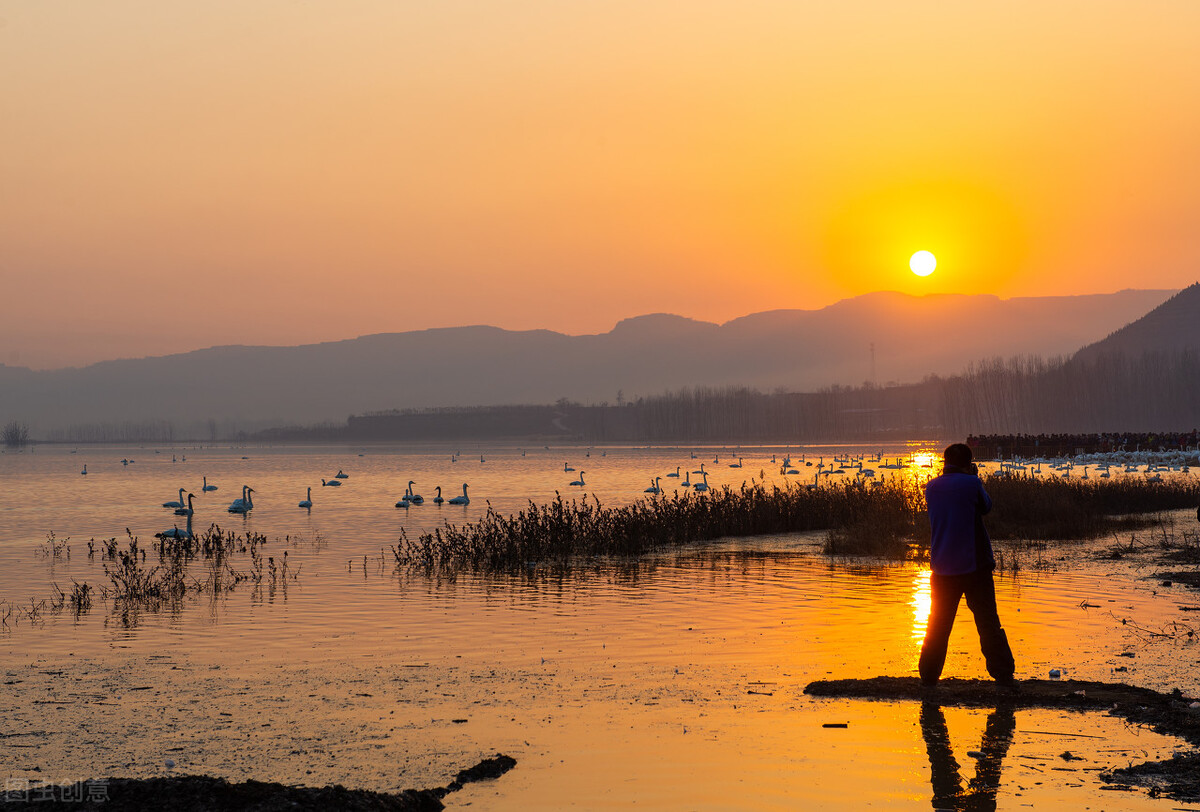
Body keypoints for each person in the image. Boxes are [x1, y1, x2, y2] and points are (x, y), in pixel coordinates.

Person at [919, 443, 1016, 690]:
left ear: (945, 462)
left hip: (941, 568)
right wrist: (974, 478)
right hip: (975, 567)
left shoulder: (930, 487)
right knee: (987, 622)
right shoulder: (972, 484)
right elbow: (986, 507)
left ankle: (929, 676)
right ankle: (1003, 675)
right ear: (968, 463)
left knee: (938, 623)